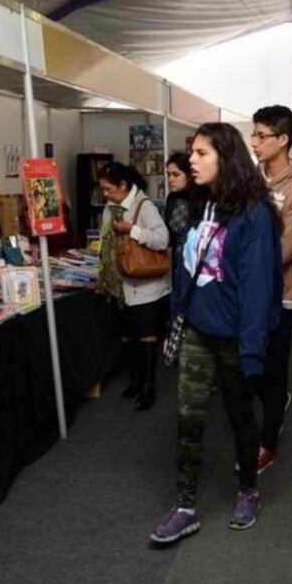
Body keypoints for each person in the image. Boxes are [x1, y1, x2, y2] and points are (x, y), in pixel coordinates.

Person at [149, 122, 282, 544]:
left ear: (227, 157)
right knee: (187, 419)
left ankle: (247, 491)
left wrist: (252, 351)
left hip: (235, 337)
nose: (192, 159)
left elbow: (260, 288)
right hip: (196, 331)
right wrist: (176, 316)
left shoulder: (254, 213)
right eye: (193, 152)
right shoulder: (194, 205)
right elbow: (182, 267)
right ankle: (186, 505)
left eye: (202, 153)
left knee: (241, 418)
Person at [251, 105, 292, 473]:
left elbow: (285, 250)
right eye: (253, 134)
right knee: (250, 368)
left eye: (262, 135)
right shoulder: (252, 182)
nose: (254, 142)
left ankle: (268, 442)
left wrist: (241, 254)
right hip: (247, 293)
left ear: (283, 140)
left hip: (281, 293)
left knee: (273, 369)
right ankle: (275, 402)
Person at [96, 162, 170, 411]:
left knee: (146, 337)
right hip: (120, 285)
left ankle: (149, 388)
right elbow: (105, 238)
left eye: (108, 189)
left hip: (147, 286)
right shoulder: (109, 208)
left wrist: (133, 230)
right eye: (102, 189)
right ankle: (136, 382)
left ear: (123, 185)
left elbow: (162, 239)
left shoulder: (144, 205)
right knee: (126, 336)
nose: (105, 194)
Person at [163, 152, 192, 294]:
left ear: (189, 174)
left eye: (176, 174)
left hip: (196, 258)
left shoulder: (201, 198)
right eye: (168, 175)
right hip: (177, 257)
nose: (170, 179)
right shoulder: (172, 198)